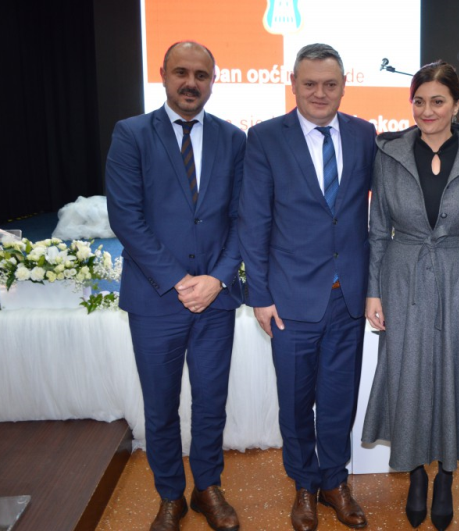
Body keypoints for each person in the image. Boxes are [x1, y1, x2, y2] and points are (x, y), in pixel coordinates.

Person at [362, 60, 459, 531]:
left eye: (438, 101)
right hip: (402, 276)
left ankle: (446, 475)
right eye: (419, 101)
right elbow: (377, 230)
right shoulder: (388, 153)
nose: (427, 110)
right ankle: (416, 474)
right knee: (408, 374)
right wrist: (373, 292)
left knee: (458, 374)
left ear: (457, 103)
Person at [106, 41, 244, 531]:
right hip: (156, 299)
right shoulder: (131, 134)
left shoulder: (234, 138)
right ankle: (170, 495)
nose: (191, 83)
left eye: (201, 75)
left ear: (213, 80)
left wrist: (217, 278)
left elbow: (242, 219)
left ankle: (207, 488)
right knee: (160, 406)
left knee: (211, 402)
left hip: (215, 299)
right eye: (181, 72)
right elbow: (126, 218)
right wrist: (180, 281)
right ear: (163, 74)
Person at [239, 43, 376, 531]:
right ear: (293, 84)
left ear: (343, 86)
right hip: (290, 298)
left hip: (348, 296)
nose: (320, 93)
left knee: (339, 399)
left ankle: (335, 482)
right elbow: (254, 222)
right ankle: (303, 484)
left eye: (330, 84)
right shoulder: (264, 138)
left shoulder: (363, 133)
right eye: (310, 83)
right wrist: (260, 295)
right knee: (296, 402)